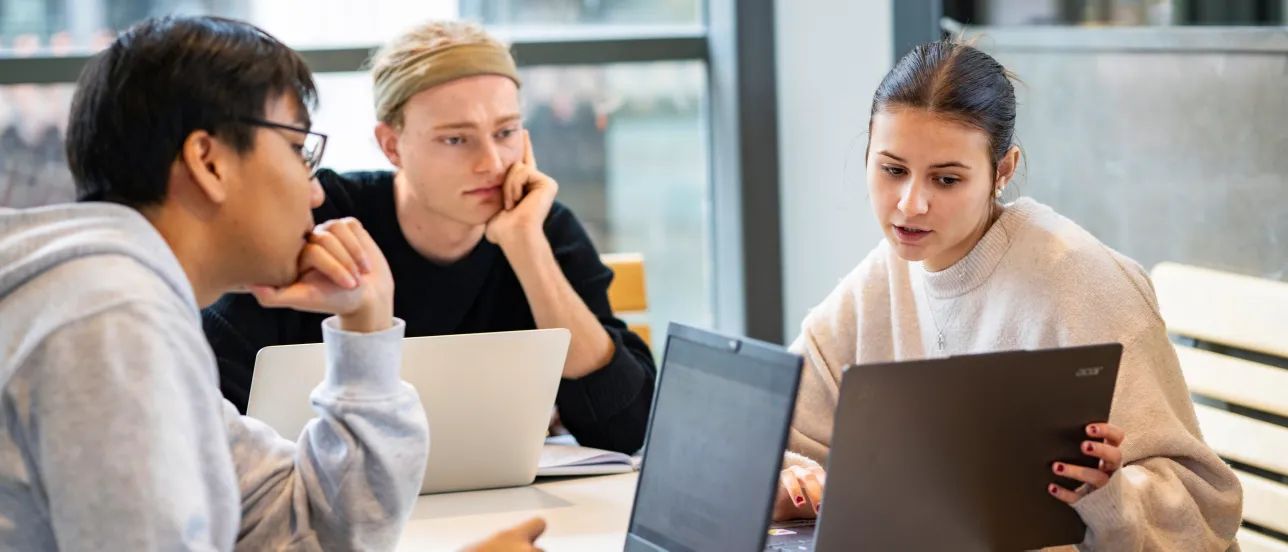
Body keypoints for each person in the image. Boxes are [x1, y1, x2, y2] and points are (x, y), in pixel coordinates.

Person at [0, 15, 542, 551]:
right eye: (298, 151)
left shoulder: (114, 300)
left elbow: (308, 527)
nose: (314, 193)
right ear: (208, 162)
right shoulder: (108, 321)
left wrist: (365, 329)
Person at [770, 39, 1243, 549]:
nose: (910, 203)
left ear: (1004, 170)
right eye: (892, 169)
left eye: (946, 179)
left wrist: (1111, 497)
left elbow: (1203, 513)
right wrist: (786, 480)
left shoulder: (1082, 281)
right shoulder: (885, 275)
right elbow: (776, 428)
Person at [202, 20, 656, 455]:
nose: (492, 162)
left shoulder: (542, 228)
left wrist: (527, 249)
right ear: (392, 146)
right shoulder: (317, 218)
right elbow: (208, 405)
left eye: (505, 132)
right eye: (456, 140)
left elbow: (627, 428)